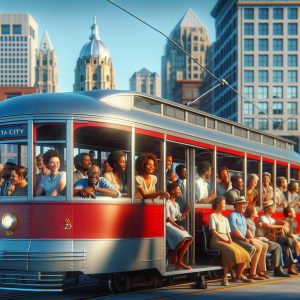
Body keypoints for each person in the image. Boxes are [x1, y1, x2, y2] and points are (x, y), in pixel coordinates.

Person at [209, 196, 251, 286]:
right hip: (216, 240)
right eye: (223, 203)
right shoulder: (212, 216)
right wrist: (224, 239)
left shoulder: (225, 218)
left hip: (226, 240)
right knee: (229, 251)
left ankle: (238, 275)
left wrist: (230, 240)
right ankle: (225, 277)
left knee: (244, 253)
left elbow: (228, 232)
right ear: (217, 204)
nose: (225, 205)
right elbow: (213, 231)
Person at [228, 196, 265, 281]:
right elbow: (235, 232)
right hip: (235, 240)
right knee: (251, 248)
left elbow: (246, 230)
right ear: (236, 205)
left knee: (258, 246)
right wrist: (246, 240)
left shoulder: (243, 217)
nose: (245, 206)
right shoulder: (232, 216)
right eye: (243, 204)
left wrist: (251, 239)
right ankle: (239, 274)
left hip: (242, 239)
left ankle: (252, 273)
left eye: (245, 204)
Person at [258, 200, 297, 275]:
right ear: (268, 209)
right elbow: (266, 225)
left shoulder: (272, 219)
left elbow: (275, 229)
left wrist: (281, 228)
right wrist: (281, 226)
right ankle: (294, 245)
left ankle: (287, 268)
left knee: (286, 248)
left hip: (272, 239)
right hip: (264, 239)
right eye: (273, 207)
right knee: (288, 241)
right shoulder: (263, 218)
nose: (275, 208)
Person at [166, 182, 193, 270]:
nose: (179, 192)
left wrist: (187, 211)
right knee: (183, 238)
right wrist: (178, 227)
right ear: (172, 191)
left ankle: (178, 260)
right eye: (178, 190)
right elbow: (168, 218)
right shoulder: (167, 202)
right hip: (167, 225)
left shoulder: (176, 204)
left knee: (189, 238)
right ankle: (176, 260)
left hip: (173, 225)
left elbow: (180, 218)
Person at [244, 205, 270, 279]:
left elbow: (253, 235)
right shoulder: (247, 221)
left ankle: (260, 270)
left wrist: (260, 238)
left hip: (252, 238)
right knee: (260, 246)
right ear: (252, 213)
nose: (257, 212)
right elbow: (247, 234)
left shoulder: (252, 221)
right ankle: (252, 273)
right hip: (248, 239)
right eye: (255, 210)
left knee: (265, 245)